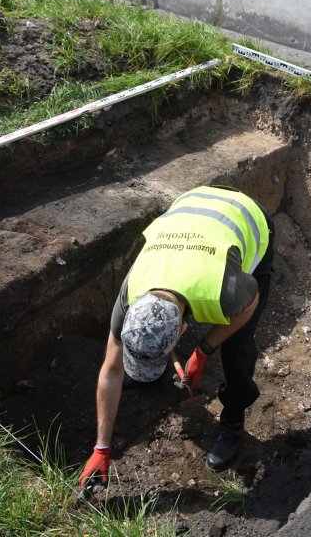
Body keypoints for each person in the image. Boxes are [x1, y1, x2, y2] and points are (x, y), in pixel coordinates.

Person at [80, 185, 275, 493]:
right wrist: (101, 448)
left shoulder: (226, 291)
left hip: (246, 216)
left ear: (183, 331)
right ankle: (148, 367)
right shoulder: (132, 292)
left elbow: (248, 307)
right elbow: (111, 369)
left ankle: (234, 419)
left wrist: (204, 350)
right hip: (192, 202)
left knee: (237, 347)